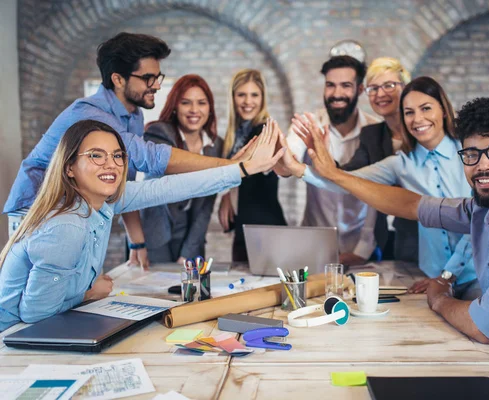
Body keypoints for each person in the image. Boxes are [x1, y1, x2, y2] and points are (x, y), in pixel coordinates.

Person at [288, 94, 489, 398]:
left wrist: (439, 297)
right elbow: (412, 205)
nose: (483, 166)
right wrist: (332, 174)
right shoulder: (483, 208)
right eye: (472, 155)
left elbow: (483, 325)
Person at [0, 119, 284, 332]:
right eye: (96, 156)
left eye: (117, 156)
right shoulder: (66, 226)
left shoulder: (104, 204)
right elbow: (36, 314)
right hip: (13, 343)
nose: (110, 164)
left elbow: (172, 188)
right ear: (69, 167)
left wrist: (243, 169)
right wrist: (87, 294)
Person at [3, 32, 249, 269]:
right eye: (147, 78)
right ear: (118, 79)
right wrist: (235, 165)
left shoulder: (133, 115)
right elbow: (150, 157)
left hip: (76, 208)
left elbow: (124, 181)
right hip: (37, 207)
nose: (156, 86)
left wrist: (137, 241)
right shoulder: (89, 113)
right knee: (39, 298)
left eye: (157, 77)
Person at [286, 77, 480, 300]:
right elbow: (347, 183)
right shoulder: (401, 163)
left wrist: (448, 276)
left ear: (444, 111)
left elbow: (478, 221)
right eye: (408, 112)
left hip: (476, 275)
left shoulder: (470, 153)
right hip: (430, 277)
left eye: (426, 108)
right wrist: (299, 168)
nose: (418, 119)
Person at [286, 56, 380, 266]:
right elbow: (289, 154)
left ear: (360, 89)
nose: (337, 94)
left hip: (361, 249)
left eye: (346, 85)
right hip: (313, 242)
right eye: (330, 85)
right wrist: (282, 160)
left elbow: (377, 194)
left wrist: (363, 249)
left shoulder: (375, 130)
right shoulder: (309, 125)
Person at [340, 56, 417, 262]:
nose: (380, 94)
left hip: (427, 235)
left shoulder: (423, 131)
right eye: (372, 88)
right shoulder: (371, 135)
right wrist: (320, 158)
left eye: (389, 85)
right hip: (390, 238)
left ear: (406, 87)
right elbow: (350, 174)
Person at [140, 74, 223, 263]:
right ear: (175, 106)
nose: (194, 110)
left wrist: (189, 250)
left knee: (191, 289)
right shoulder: (158, 132)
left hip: (190, 229)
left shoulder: (216, 145)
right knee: (154, 289)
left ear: (210, 109)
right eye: (186, 103)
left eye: (202, 103)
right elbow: (169, 171)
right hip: (155, 228)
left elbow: (206, 205)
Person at [218, 69, 286, 261]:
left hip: (265, 230)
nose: (248, 102)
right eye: (242, 95)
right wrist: (226, 196)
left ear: (263, 98)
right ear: (233, 98)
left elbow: (246, 170)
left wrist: (227, 191)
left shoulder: (264, 131)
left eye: (254, 95)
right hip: (245, 229)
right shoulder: (235, 135)